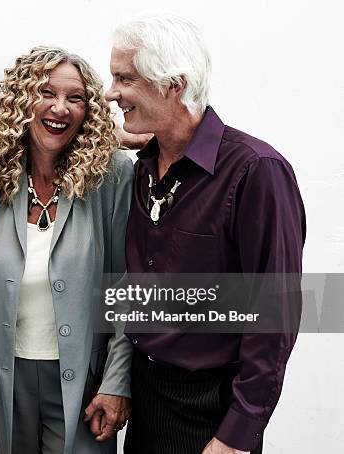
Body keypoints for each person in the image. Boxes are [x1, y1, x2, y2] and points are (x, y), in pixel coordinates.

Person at [104, 14, 306, 454]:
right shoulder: (143, 168)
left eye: (125, 78)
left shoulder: (257, 171)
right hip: (148, 397)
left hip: (212, 409)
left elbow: (275, 312)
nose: (111, 92)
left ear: (173, 84)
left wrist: (237, 434)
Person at [0, 46, 134, 454]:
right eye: (44, 92)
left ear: (88, 110)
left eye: (75, 98)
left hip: (86, 382)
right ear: (21, 99)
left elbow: (128, 287)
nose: (59, 108)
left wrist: (117, 382)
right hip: (3, 379)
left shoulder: (111, 176)